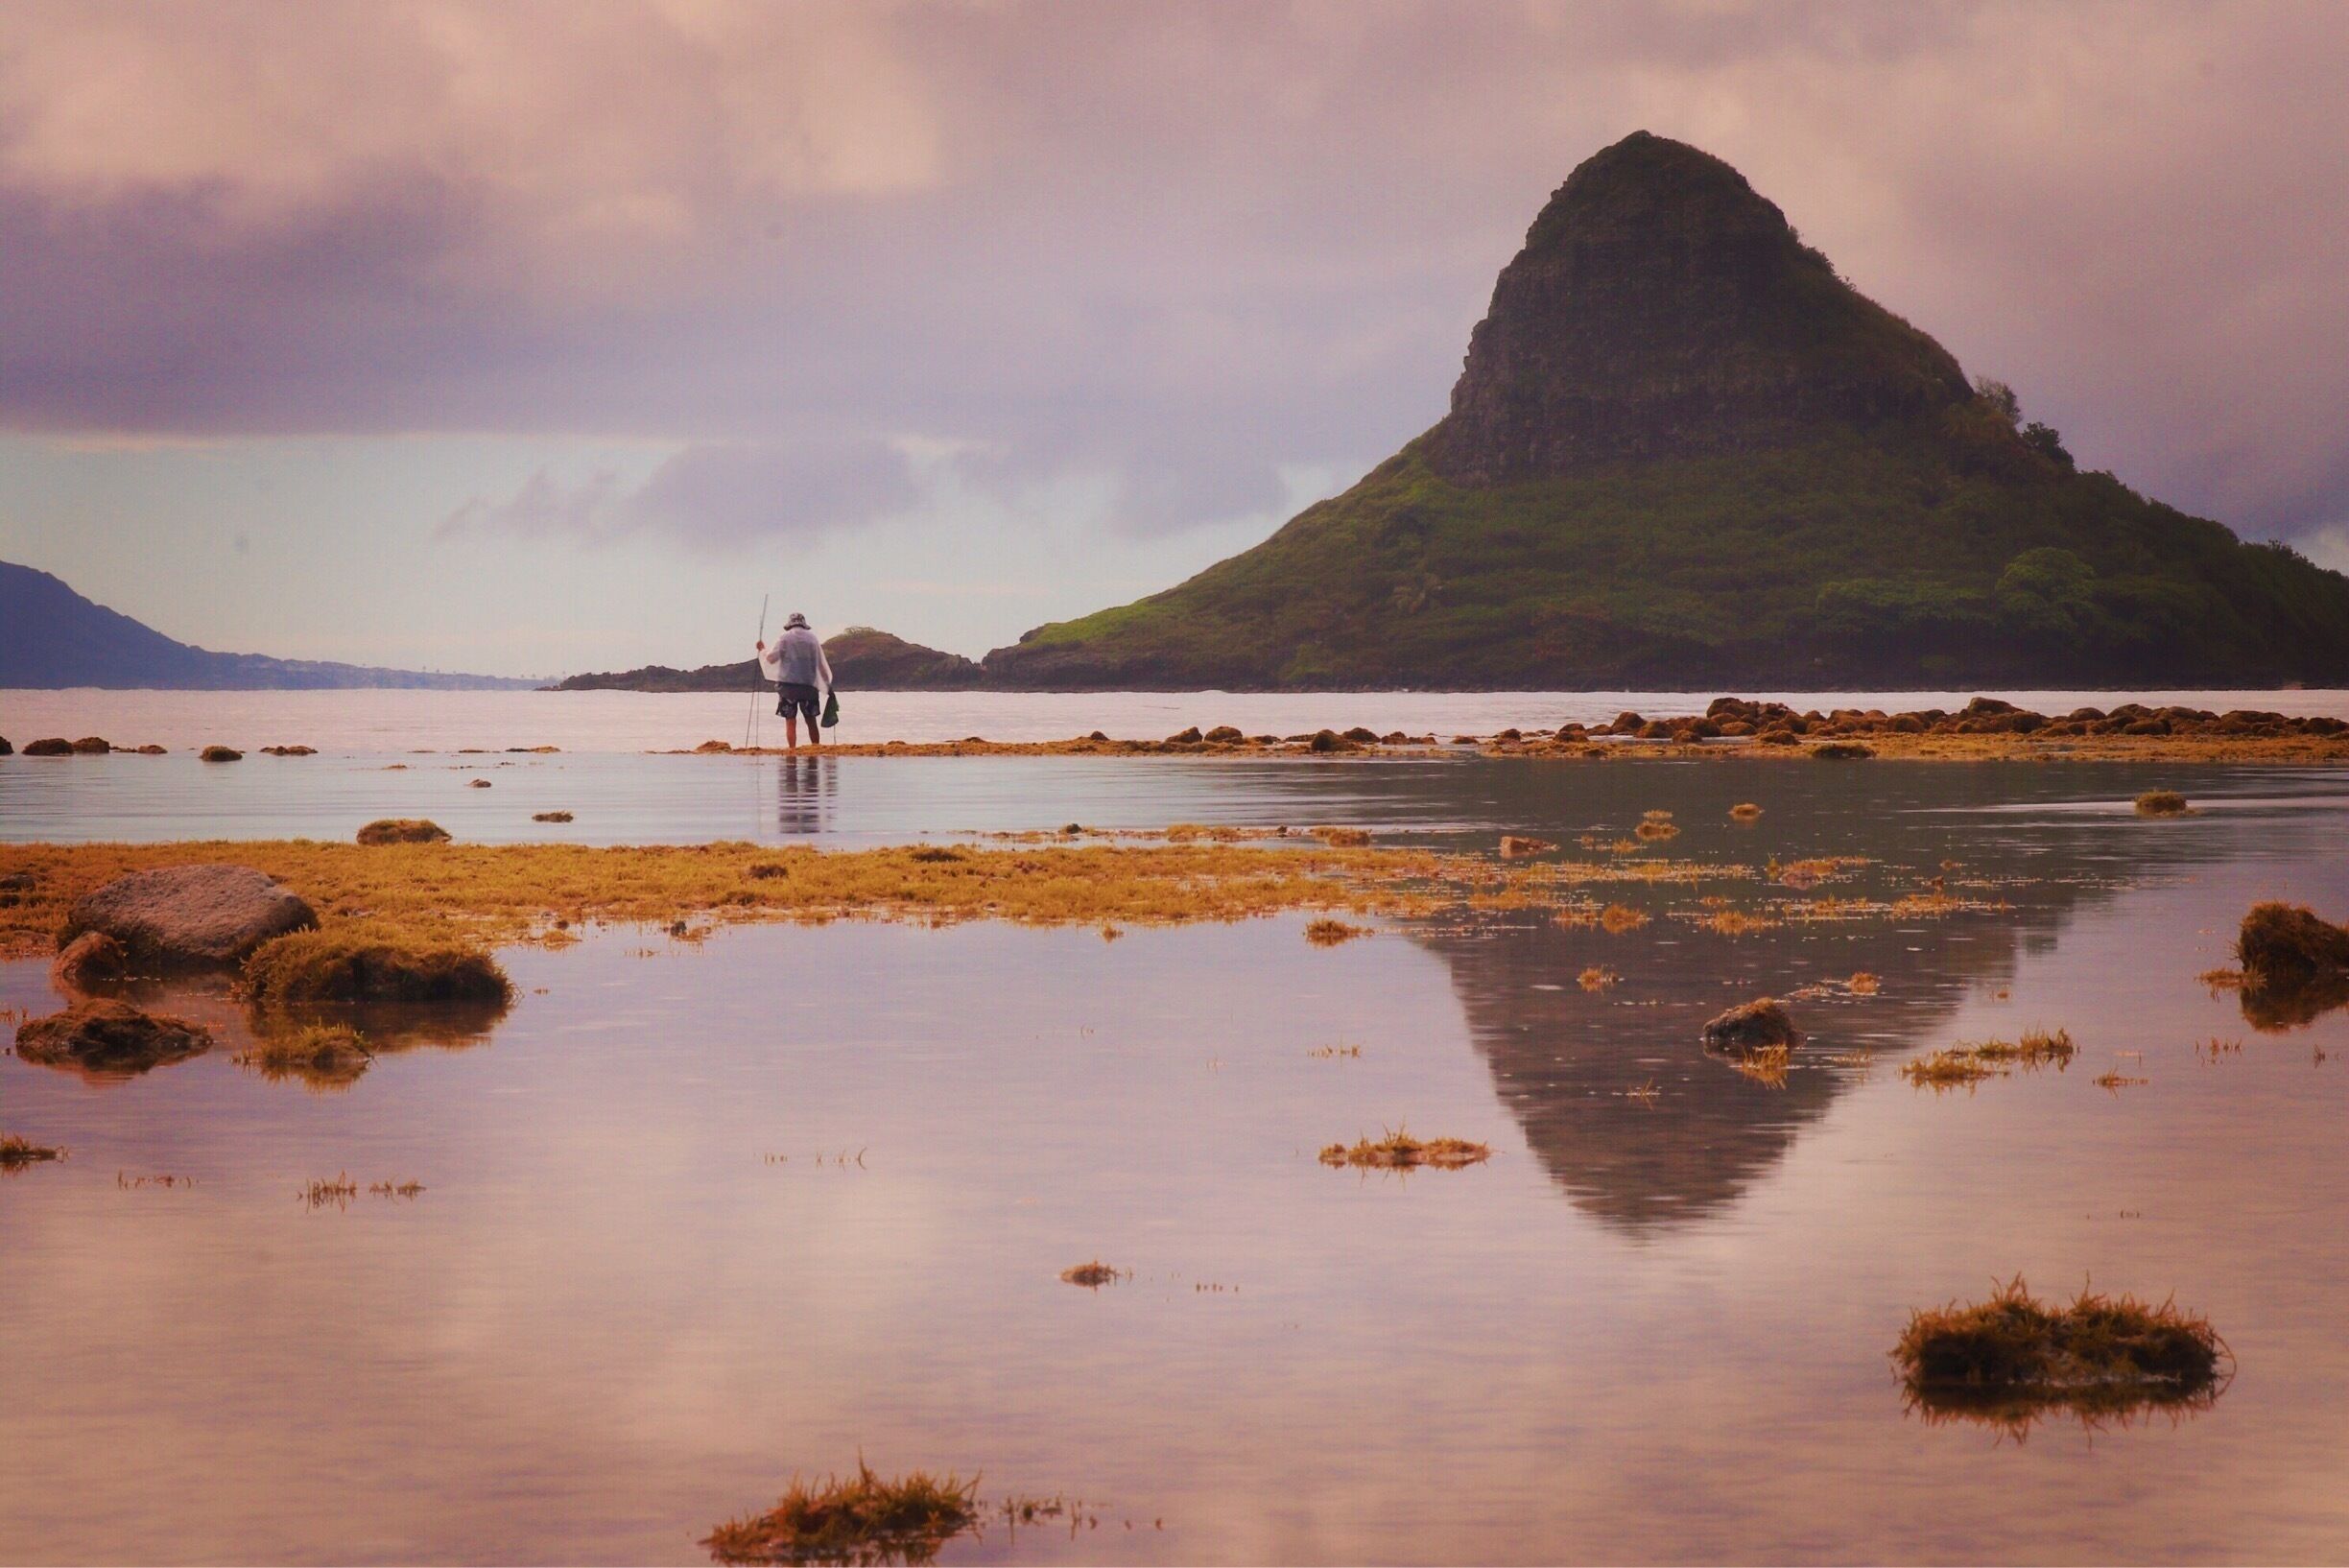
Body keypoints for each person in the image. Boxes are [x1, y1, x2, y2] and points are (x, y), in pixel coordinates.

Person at [756, 612, 834, 749]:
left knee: (790, 721)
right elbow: (820, 664)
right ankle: (815, 748)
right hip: (809, 687)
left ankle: (792, 750)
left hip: (788, 687)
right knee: (811, 720)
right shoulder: (812, 639)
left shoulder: (785, 638)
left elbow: (771, 659)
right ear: (803, 624)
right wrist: (827, 684)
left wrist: (762, 649)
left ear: (790, 624)